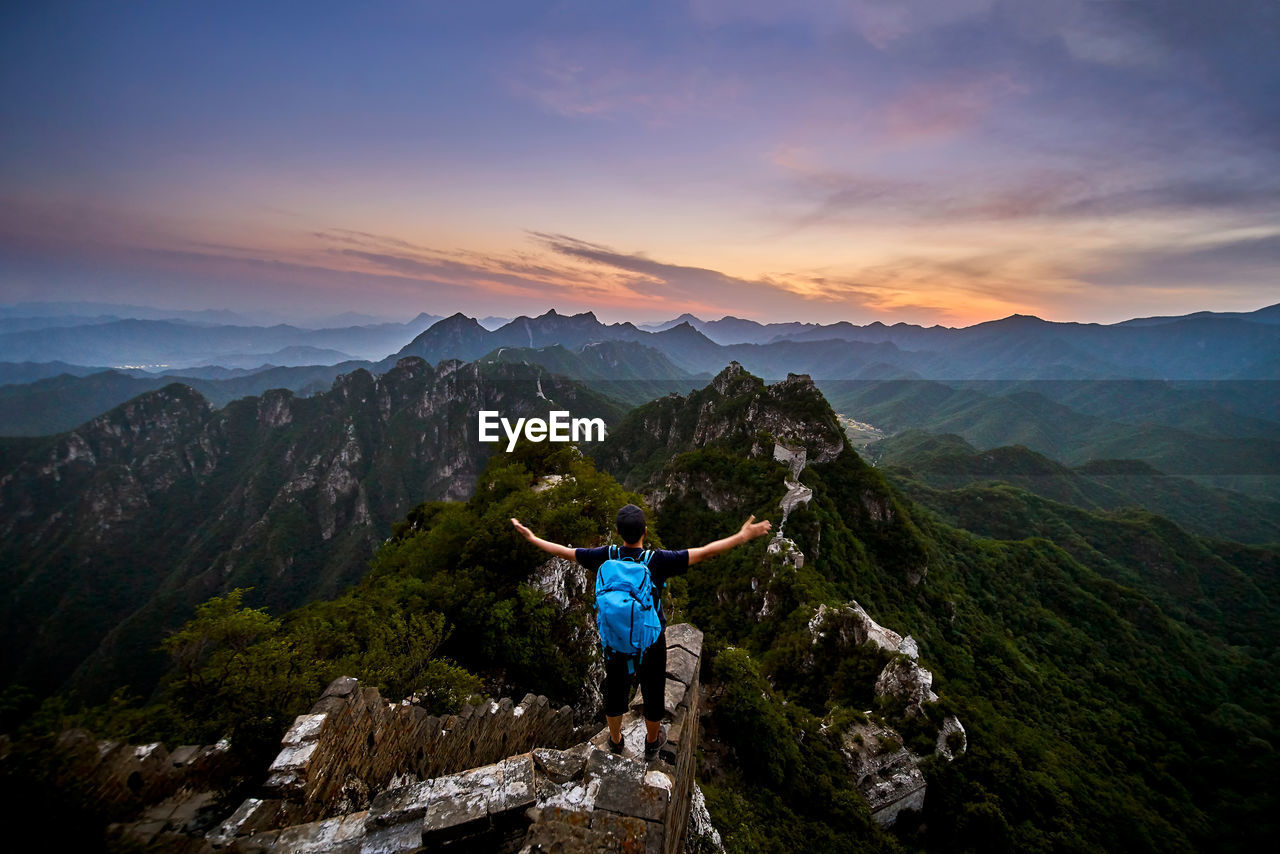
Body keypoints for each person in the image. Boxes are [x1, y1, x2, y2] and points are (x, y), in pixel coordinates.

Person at [511, 503, 772, 759]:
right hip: (650, 641)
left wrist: (532, 537)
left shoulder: (605, 556)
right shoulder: (656, 561)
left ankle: (615, 741)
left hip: (614, 640)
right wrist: (742, 536)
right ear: (645, 531)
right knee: (653, 690)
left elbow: (564, 552)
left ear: (619, 532)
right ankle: (651, 742)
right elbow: (704, 552)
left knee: (614, 690)